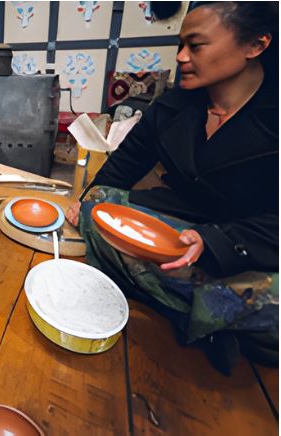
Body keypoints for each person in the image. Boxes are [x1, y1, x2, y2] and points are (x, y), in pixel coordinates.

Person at [66, 2, 278, 373]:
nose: (180, 57)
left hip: (254, 250)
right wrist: (86, 203)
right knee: (95, 208)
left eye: (195, 46)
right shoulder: (171, 108)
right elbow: (116, 174)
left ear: (256, 45)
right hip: (180, 233)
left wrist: (213, 241)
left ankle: (182, 306)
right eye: (180, 45)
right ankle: (214, 320)